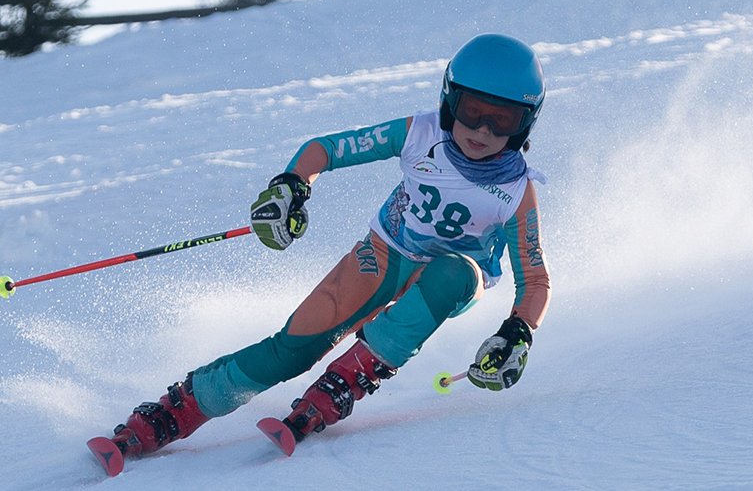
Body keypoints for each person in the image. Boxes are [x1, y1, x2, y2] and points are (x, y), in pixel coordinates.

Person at [93, 33, 552, 465]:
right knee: (292, 348)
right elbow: (325, 149)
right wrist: (292, 186)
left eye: (502, 120)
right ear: (450, 101)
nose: (483, 130)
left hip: (453, 279)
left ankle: (347, 380)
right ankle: (178, 410)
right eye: (473, 111)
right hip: (385, 254)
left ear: (524, 124)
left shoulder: (516, 192)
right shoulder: (419, 134)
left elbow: (534, 279)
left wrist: (517, 333)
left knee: (454, 272)